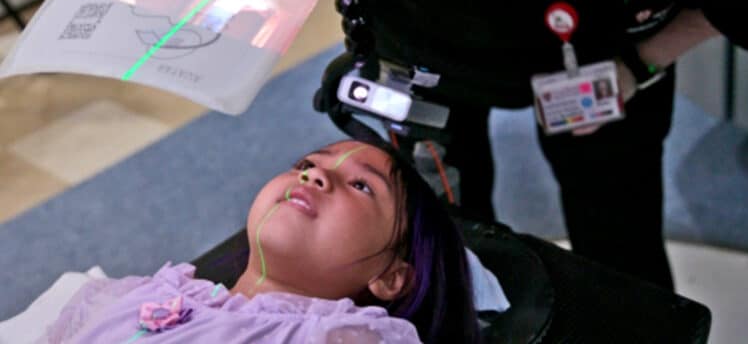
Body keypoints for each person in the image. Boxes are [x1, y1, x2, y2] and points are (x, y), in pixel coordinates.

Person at [226, 0, 748, 290]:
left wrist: (640, 61)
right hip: (419, 35)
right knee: (443, 245)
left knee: (620, 229)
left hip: (606, 55)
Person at [40, 140, 481, 343]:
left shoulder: (339, 337)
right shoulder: (138, 294)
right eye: (306, 163)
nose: (314, 174)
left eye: (362, 186)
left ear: (390, 277)